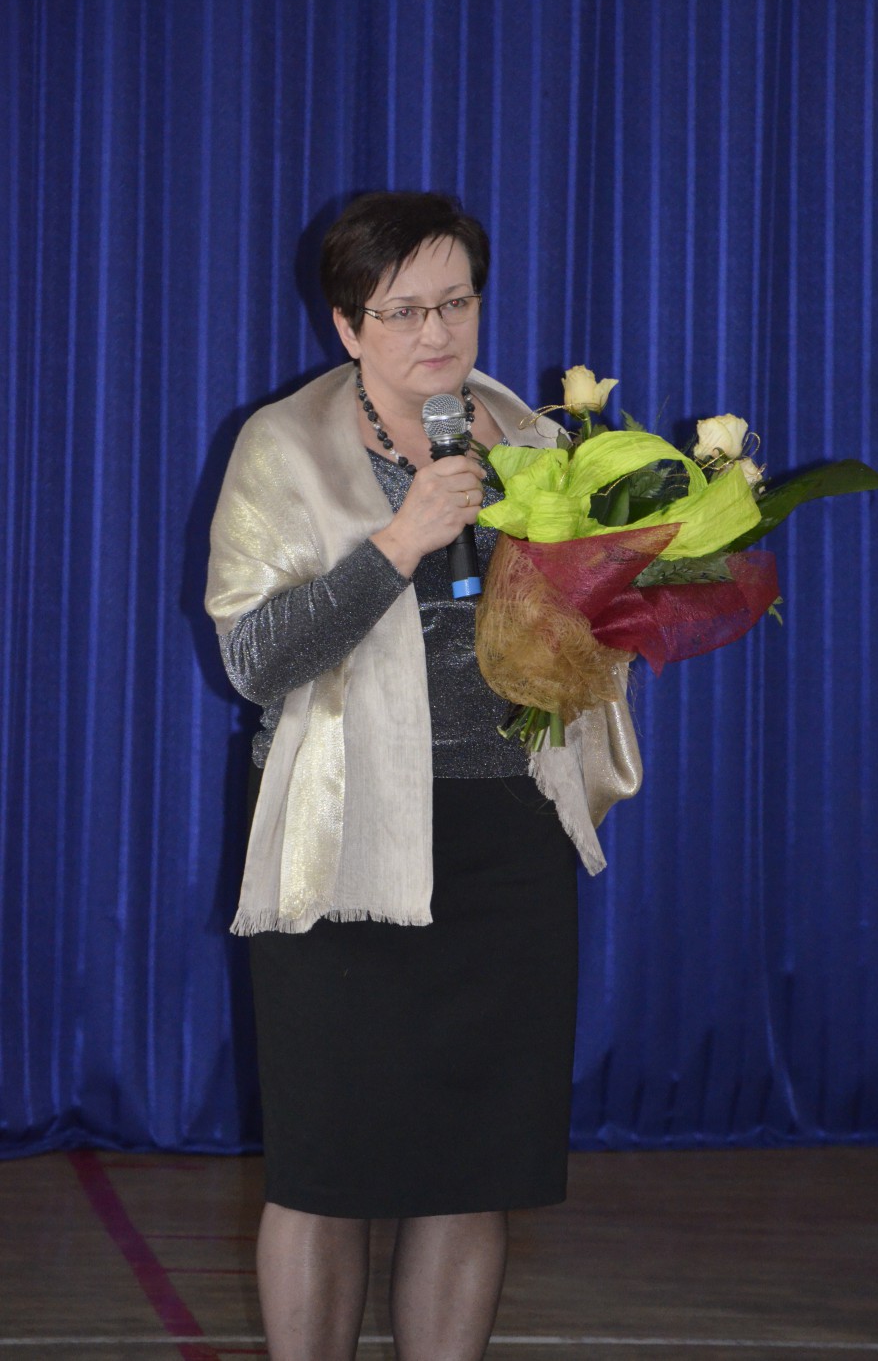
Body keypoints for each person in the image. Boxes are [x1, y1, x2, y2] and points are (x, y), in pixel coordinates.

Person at [205, 190, 641, 1360]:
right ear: (347, 326)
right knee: (325, 1171)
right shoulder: (282, 446)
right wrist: (401, 542)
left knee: (471, 1169)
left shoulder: (536, 440)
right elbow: (254, 661)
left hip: (508, 841)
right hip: (342, 844)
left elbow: (579, 638)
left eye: (456, 302)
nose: (436, 333)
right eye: (402, 311)